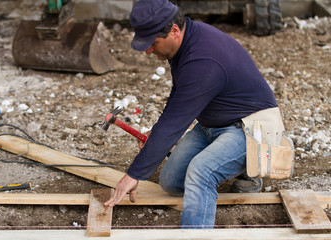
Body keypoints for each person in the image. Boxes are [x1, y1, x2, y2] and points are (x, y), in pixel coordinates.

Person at [105, 0, 277, 228]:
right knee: (170, 181)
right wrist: (158, 135)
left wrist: (134, 174)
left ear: (174, 31)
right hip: (212, 125)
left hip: (251, 128)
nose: (148, 50)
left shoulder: (203, 60)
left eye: (152, 43)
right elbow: (178, 101)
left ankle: (197, 231)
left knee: (201, 172)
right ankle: (230, 165)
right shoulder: (187, 40)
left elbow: (176, 119)